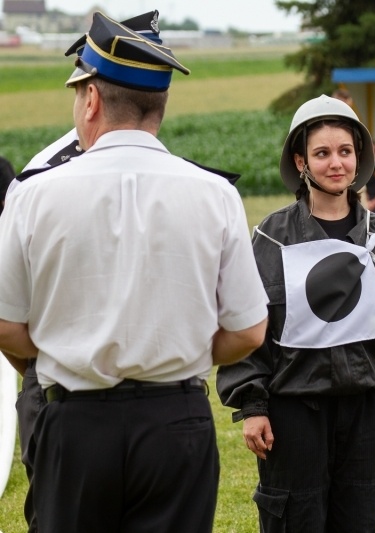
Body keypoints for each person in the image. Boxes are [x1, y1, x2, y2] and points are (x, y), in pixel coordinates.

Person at [0, 12, 268, 533]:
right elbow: (249, 330)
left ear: (92, 100)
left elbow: (7, 325)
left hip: (74, 421)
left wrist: (60, 347)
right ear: (158, 107)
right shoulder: (215, 195)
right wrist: (181, 349)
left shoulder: (33, 194)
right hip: (176, 419)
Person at [216, 94, 375, 532]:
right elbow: (248, 323)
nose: (335, 163)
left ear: (359, 157)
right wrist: (252, 404)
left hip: (366, 413)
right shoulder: (270, 238)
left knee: (358, 520)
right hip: (293, 412)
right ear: (301, 161)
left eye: (345, 152)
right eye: (321, 153)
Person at [5, 13, 173, 532]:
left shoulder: (168, 167)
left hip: (152, 386)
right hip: (61, 382)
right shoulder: (46, 173)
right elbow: (14, 299)